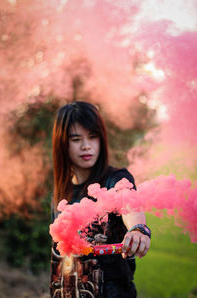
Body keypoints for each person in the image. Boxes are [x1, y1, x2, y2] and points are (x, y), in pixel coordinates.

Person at [50, 101, 151, 298]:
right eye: (76, 139)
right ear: (62, 142)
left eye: (93, 137)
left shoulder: (116, 179)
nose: (86, 146)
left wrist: (138, 230)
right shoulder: (60, 192)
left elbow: (129, 204)